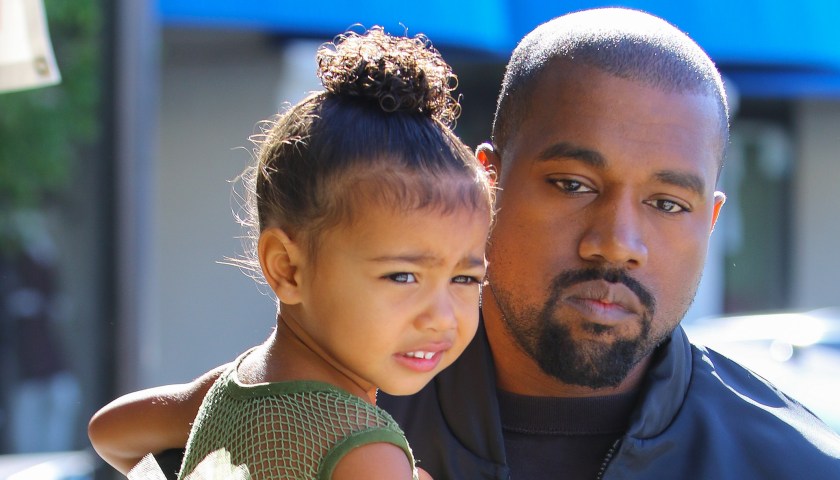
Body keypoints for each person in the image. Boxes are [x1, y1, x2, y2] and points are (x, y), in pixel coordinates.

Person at [91, 7, 840, 480]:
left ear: (710, 222)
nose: (616, 243)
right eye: (573, 184)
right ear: (490, 182)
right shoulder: (321, 396)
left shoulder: (792, 464)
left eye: (668, 203)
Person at [88, 27, 494, 480]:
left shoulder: (232, 387)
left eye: (465, 279)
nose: (441, 318)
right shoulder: (362, 450)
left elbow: (109, 431)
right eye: (403, 276)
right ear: (287, 268)